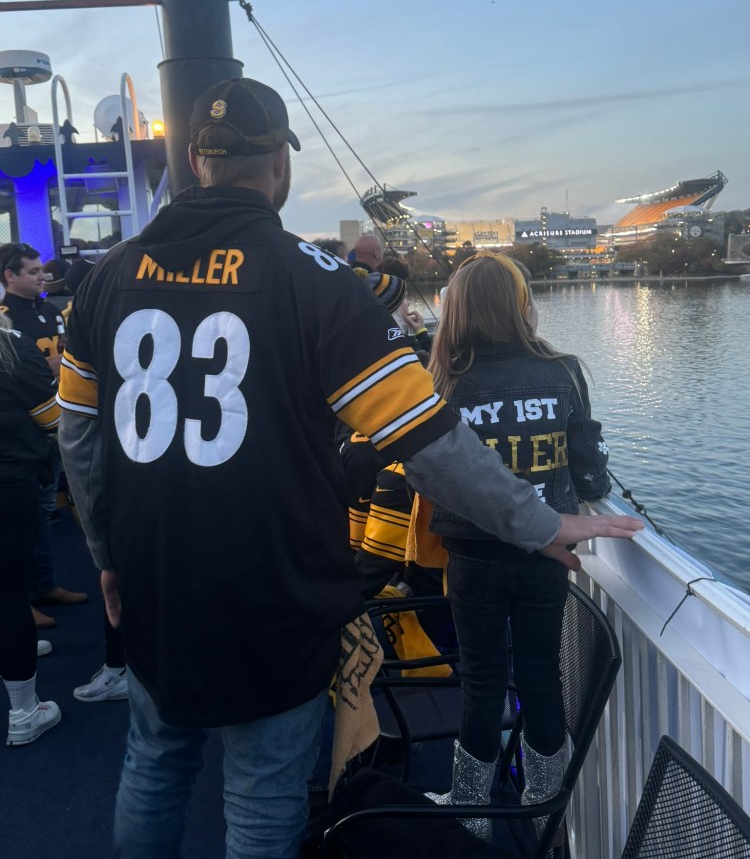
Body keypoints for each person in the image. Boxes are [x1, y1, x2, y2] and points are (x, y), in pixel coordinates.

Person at [57, 77, 641, 859]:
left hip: (155, 577)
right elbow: (425, 439)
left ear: (197, 160)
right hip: (275, 587)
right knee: (262, 799)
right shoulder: (316, 282)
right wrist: (543, 522)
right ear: (279, 166)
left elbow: (80, 440)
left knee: (155, 763)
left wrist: (106, 558)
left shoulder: (105, 279)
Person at [425, 251, 613, 838]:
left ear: (458, 309)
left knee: (481, 679)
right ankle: (543, 809)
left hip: (472, 554)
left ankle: (471, 811)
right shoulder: (564, 371)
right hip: (546, 553)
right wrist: (590, 484)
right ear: (521, 305)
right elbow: (589, 475)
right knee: (539, 676)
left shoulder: (447, 378)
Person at [0, 242, 87, 621]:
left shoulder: (51, 311)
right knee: (20, 524)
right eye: (33, 272)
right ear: (10, 276)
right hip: (20, 434)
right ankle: (21, 605)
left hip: (54, 424)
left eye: (40, 270)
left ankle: (44, 585)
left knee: (42, 516)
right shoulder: (5, 320)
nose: (42, 277)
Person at [0, 312, 61, 746]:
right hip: (8, 484)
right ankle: (23, 712)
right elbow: (53, 417)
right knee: (8, 596)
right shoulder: (11, 347)